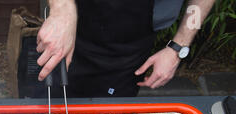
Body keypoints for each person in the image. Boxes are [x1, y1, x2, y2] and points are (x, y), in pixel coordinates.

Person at [36, 0, 216, 98]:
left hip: (129, 47)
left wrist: (179, 46)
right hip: (74, 32)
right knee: (53, 104)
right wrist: (61, 6)